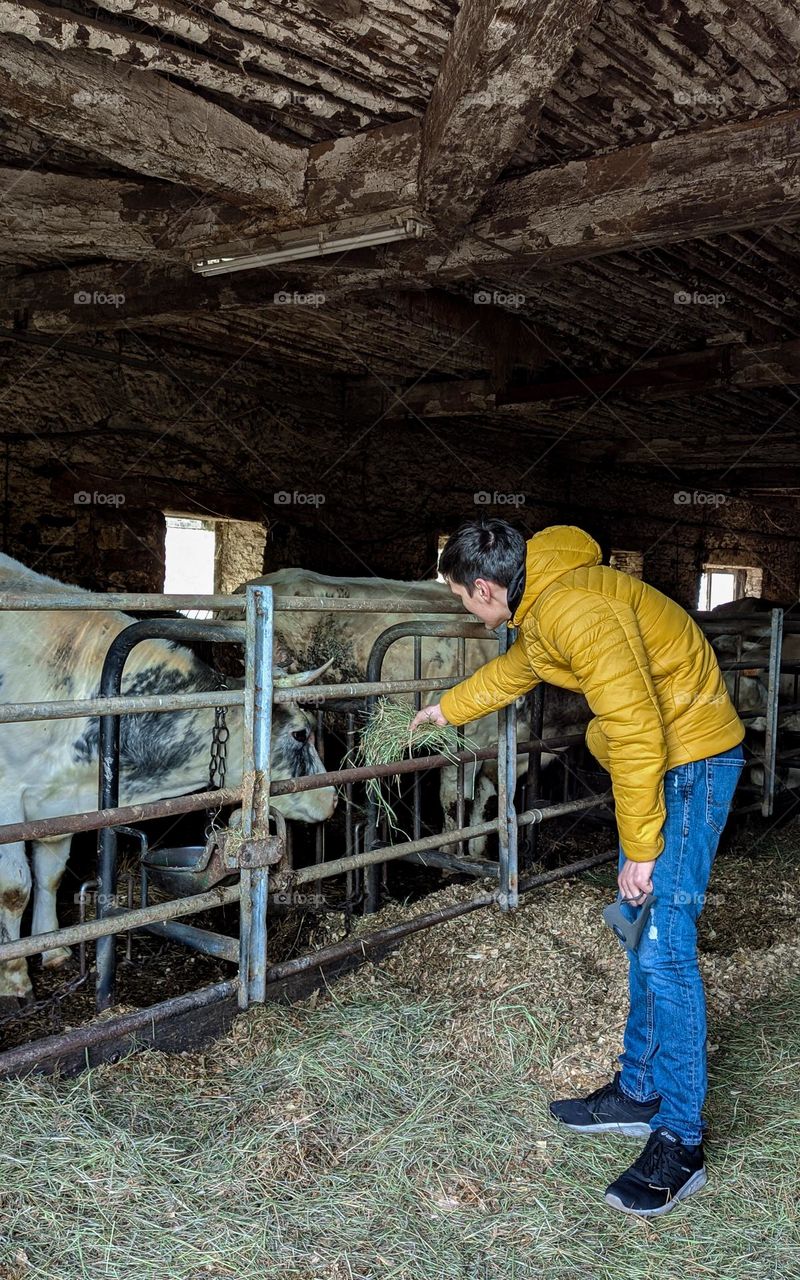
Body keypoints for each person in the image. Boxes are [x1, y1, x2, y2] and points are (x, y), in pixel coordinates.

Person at [410, 518, 745, 1217]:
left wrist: (643, 845)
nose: (463, 609)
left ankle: (679, 1140)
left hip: (688, 762)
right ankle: (639, 1088)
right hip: (665, 762)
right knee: (641, 934)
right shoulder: (545, 603)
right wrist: (450, 707)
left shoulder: (575, 609)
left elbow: (633, 727)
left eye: (460, 598)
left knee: (663, 948)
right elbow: (516, 670)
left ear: (484, 588)